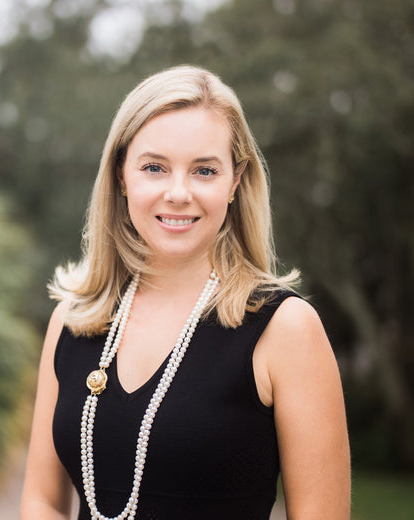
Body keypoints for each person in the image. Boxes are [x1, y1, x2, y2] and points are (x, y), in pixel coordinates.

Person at [21, 65, 350, 520]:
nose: (178, 193)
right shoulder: (73, 320)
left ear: (235, 182)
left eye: (204, 171)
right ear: (121, 175)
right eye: (154, 167)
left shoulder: (285, 329)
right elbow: (41, 502)